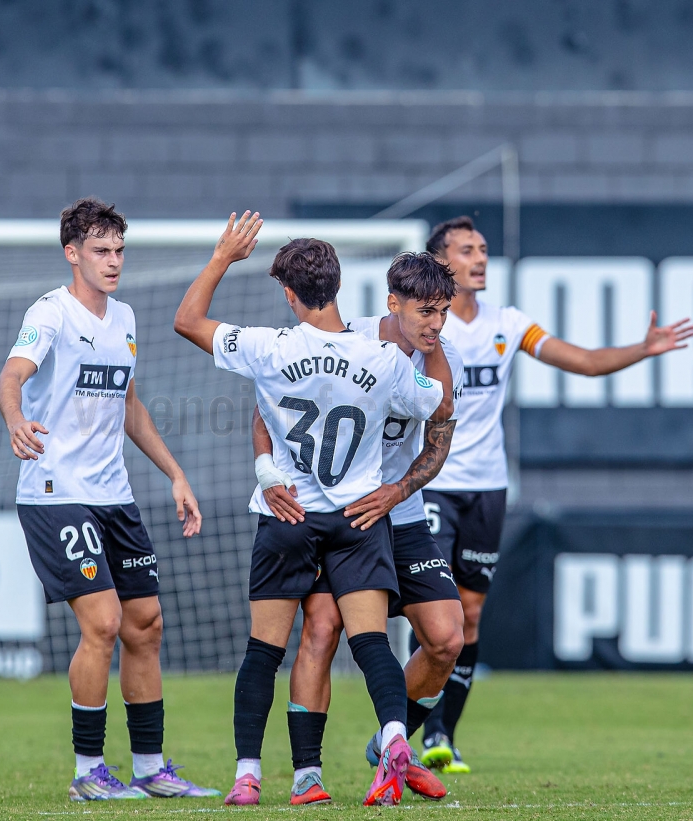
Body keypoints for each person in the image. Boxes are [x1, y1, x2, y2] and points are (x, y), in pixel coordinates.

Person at [173, 213, 453, 807]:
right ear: (339, 286)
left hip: (288, 515)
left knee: (264, 651)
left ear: (290, 294)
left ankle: (249, 775)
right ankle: (396, 736)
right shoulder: (380, 358)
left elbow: (186, 321)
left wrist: (224, 256)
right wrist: (432, 352)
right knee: (373, 642)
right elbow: (436, 404)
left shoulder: (268, 347)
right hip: (357, 519)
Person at [418, 216, 693, 773]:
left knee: (470, 615)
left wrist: (643, 349)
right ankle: (410, 727)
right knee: (435, 613)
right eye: (467, 250)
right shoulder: (424, 327)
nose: (480, 258)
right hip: (434, 484)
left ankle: (441, 734)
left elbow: (587, 363)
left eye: (484, 249)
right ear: (441, 262)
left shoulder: (508, 323)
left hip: (487, 488)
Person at [0, 197, 219, 801]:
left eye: (119, 250)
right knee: (104, 621)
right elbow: (10, 376)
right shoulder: (50, 313)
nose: (114, 260)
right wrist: (16, 418)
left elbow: (130, 406)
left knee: (145, 626)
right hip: (55, 492)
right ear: (73, 254)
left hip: (113, 495)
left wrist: (175, 473)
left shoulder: (123, 317)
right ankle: (87, 772)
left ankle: (149, 768)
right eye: (101, 250)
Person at [250, 252, 466, 803]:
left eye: (444, 312)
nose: (436, 324)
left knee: (446, 638)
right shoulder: (352, 338)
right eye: (426, 312)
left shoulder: (444, 360)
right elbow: (275, 403)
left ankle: (390, 741)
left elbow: (438, 448)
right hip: (341, 515)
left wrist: (398, 491)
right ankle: (308, 774)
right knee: (321, 631)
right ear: (394, 304)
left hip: (401, 514)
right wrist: (268, 470)